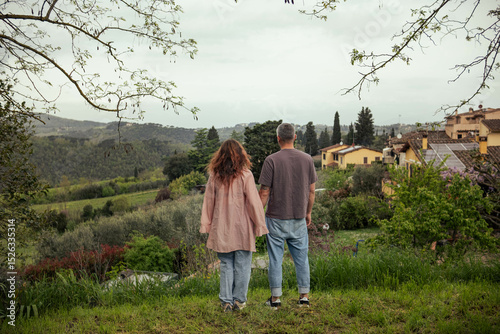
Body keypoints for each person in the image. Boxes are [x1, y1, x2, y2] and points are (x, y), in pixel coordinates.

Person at [200, 139, 268, 313]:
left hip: (221, 228)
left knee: (225, 264)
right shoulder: (246, 175)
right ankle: (239, 301)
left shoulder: (214, 176)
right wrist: (260, 224)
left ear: (220, 156)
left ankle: (226, 302)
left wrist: (206, 225)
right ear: (241, 155)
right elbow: (254, 202)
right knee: (243, 265)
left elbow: (208, 202)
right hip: (242, 228)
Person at [258, 122, 317, 308]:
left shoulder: (271, 160)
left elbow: (264, 192)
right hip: (299, 217)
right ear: (295, 137)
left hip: (275, 218)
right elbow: (312, 191)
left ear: (278, 139)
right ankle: (304, 297)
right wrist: (308, 212)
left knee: (275, 259)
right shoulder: (307, 159)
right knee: (302, 259)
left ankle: (275, 300)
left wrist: (258, 215)